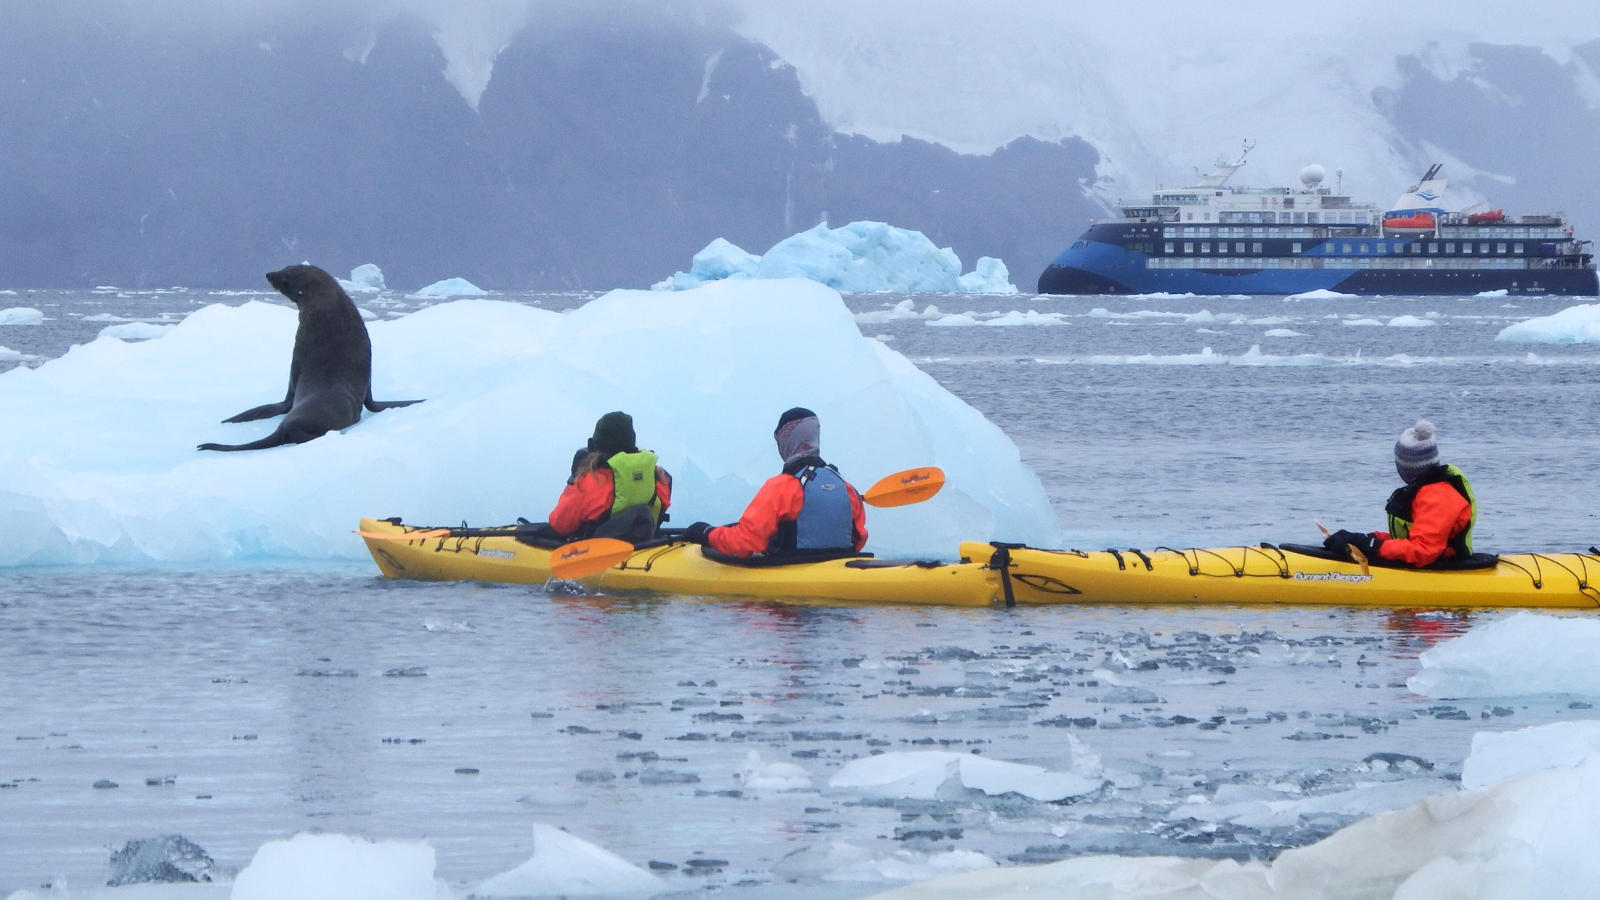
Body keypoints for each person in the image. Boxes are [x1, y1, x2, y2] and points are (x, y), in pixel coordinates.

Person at [682, 407, 867, 558]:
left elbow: (745, 542)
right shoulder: (845, 487)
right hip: (836, 568)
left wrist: (706, 533)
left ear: (786, 440)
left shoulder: (781, 487)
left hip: (790, 585)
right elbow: (859, 539)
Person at [1324, 419, 1476, 568]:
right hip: (1430, 561)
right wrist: (1364, 539)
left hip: (1442, 566)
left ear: (1406, 467)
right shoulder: (1425, 490)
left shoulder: (1438, 496)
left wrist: (1371, 546)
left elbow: (1423, 551)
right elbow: (1410, 538)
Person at [546, 411, 672, 541]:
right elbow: (663, 506)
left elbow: (560, 524)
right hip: (644, 551)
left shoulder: (588, 482)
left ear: (597, 445)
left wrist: (575, 478)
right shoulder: (660, 477)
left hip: (599, 556)